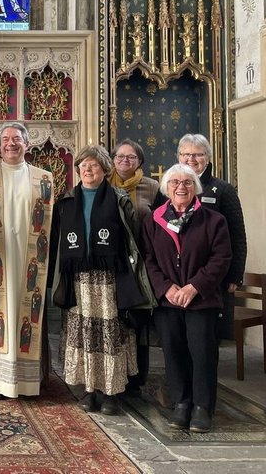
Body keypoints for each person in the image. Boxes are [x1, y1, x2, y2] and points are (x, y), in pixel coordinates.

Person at [49, 145, 152, 416]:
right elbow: (58, 242)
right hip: (79, 279)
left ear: (105, 169)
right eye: (83, 165)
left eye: (93, 165)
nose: (88, 170)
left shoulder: (119, 198)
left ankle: (112, 393)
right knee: (85, 334)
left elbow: (133, 238)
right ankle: (90, 389)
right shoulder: (67, 200)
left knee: (110, 335)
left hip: (110, 278)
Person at [143, 163, 232, 432]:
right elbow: (148, 259)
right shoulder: (153, 219)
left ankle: (203, 408)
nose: (181, 187)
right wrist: (167, 288)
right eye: (175, 183)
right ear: (166, 188)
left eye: (187, 182)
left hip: (201, 300)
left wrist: (193, 287)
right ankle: (181, 403)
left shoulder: (214, 220)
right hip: (167, 301)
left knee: (202, 353)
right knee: (173, 351)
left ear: (196, 188)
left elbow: (221, 258)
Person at [0, 122, 54, 399]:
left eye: (16, 139)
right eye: (5, 139)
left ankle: (27, 382)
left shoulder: (44, 178)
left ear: (27, 144)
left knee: (26, 315)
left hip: (30, 259)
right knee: (1, 313)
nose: (11, 143)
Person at [177, 134, 246, 340]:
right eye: (186, 154)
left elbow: (238, 235)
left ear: (207, 157)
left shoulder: (223, 189)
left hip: (212, 275)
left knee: (207, 338)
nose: (191, 159)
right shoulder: (168, 188)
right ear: (178, 157)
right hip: (177, 275)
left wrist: (235, 274)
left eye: (198, 154)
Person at [108, 138, 160, 396]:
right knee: (113, 322)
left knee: (137, 322)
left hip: (140, 262)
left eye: (131, 157)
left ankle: (136, 379)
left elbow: (161, 224)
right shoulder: (103, 183)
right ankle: (113, 376)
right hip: (112, 262)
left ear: (140, 161)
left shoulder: (152, 187)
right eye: (119, 157)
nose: (124, 162)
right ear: (112, 159)